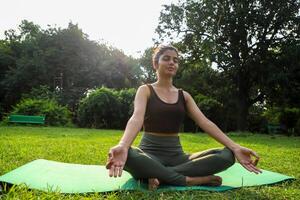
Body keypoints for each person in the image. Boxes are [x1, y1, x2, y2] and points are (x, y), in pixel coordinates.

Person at [106, 44, 261, 190]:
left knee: (227, 155)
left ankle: (157, 175)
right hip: (149, 155)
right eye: (166, 58)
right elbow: (136, 118)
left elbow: (204, 122)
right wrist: (123, 145)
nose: (171, 62)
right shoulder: (145, 90)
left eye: (175, 60)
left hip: (178, 157)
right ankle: (188, 180)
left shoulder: (184, 95)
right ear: (155, 64)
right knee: (129, 155)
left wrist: (235, 147)